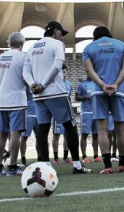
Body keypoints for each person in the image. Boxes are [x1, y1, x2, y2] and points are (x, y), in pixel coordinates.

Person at [23, 21, 91, 174]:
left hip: (39, 96)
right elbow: (57, 65)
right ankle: (77, 165)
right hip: (55, 92)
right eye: (61, 33)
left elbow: (25, 72)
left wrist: (34, 84)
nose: (62, 36)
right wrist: (44, 84)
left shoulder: (32, 47)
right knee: (70, 127)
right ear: (54, 31)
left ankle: (46, 165)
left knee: (43, 128)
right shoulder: (56, 44)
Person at [83, 26, 124, 174]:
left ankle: (107, 166)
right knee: (120, 129)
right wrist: (116, 84)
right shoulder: (121, 45)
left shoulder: (89, 48)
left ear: (94, 36)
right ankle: (122, 165)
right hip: (119, 91)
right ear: (109, 34)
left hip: (99, 91)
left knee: (102, 129)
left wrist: (103, 86)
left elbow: (89, 71)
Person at [0, 32, 27, 177]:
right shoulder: (22, 56)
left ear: (9, 43)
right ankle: (12, 166)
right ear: (22, 43)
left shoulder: (1, 56)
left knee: (2, 134)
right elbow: (26, 77)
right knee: (16, 134)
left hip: (2, 100)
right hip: (16, 99)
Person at [75, 72, 102, 163]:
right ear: (86, 73)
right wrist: (86, 98)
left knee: (96, 135)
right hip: (86, 112)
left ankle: (96, 156)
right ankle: (84, 156)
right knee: (84, 134)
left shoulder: (97, 83)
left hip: (96, 112)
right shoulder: (81, 83)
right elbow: (76, 97)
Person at [52, 64, 71, 164]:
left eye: (64, 72)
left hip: (67, 113)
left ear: (66, 72)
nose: (63, 74)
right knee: (56, 135)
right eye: (61, 72)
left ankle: (65, 157)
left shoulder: (69, 84)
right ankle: (55, 158)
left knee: (67, 135)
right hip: (56, 113)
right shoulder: (54, 83)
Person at [20, 86, 39, 166]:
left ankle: (40, 157)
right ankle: (23, 157)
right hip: (29, 115)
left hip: (39, 115)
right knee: (24, 137)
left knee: (40, 137)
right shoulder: (27, 85)